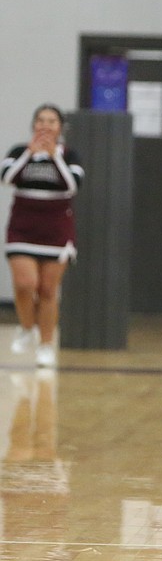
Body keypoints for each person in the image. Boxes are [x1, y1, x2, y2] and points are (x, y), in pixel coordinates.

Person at [2, 105, 83, 368]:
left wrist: (53, 157)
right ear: (33, 124)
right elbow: (7, 177)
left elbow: (73, 185)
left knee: (48, 290)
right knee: (26, 284)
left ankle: (46, 346)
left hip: (56, 230)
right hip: (22, 229)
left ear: (60, 127)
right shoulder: (18, 151)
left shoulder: (70, 155)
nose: (45, 125)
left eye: (51, 121)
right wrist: (29, 154)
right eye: (41, 120)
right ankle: (27, 328)